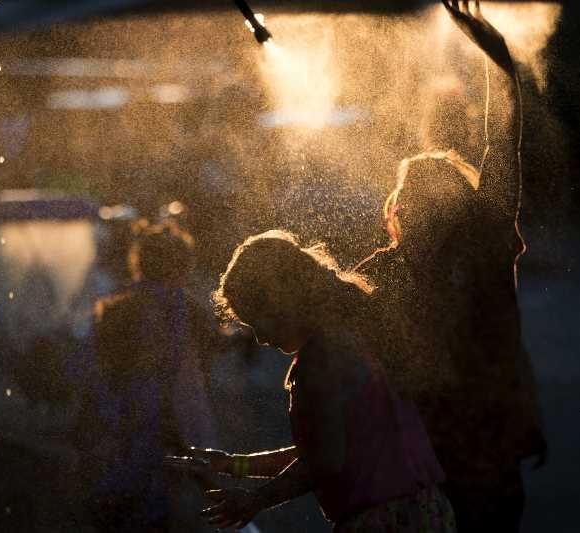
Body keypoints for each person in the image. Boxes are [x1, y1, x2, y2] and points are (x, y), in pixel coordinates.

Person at [356, 2, 546, 531]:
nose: (415, 202)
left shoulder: (482, 245)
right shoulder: (383, 269)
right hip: (416, 468)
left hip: (479, 462)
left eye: (427, 193)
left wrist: (500, 65)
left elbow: (501, 143)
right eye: (410, 193)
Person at [168, 230, 456, 532]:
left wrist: (256, 501)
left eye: (258, 320)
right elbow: (327, 451)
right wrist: (232, 464)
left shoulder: (320, 361)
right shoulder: (354, 336)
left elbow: (326, 461)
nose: (261, 339)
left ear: (285, 299)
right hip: (426, 511)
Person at [71, 220, 218, 532]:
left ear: (139, 262)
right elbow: (213, 346)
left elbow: (87, 368)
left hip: (117, 421)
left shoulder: (113, 305)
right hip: (168, 423)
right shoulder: (184, 307)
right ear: (183, 265)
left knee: (118, 501)